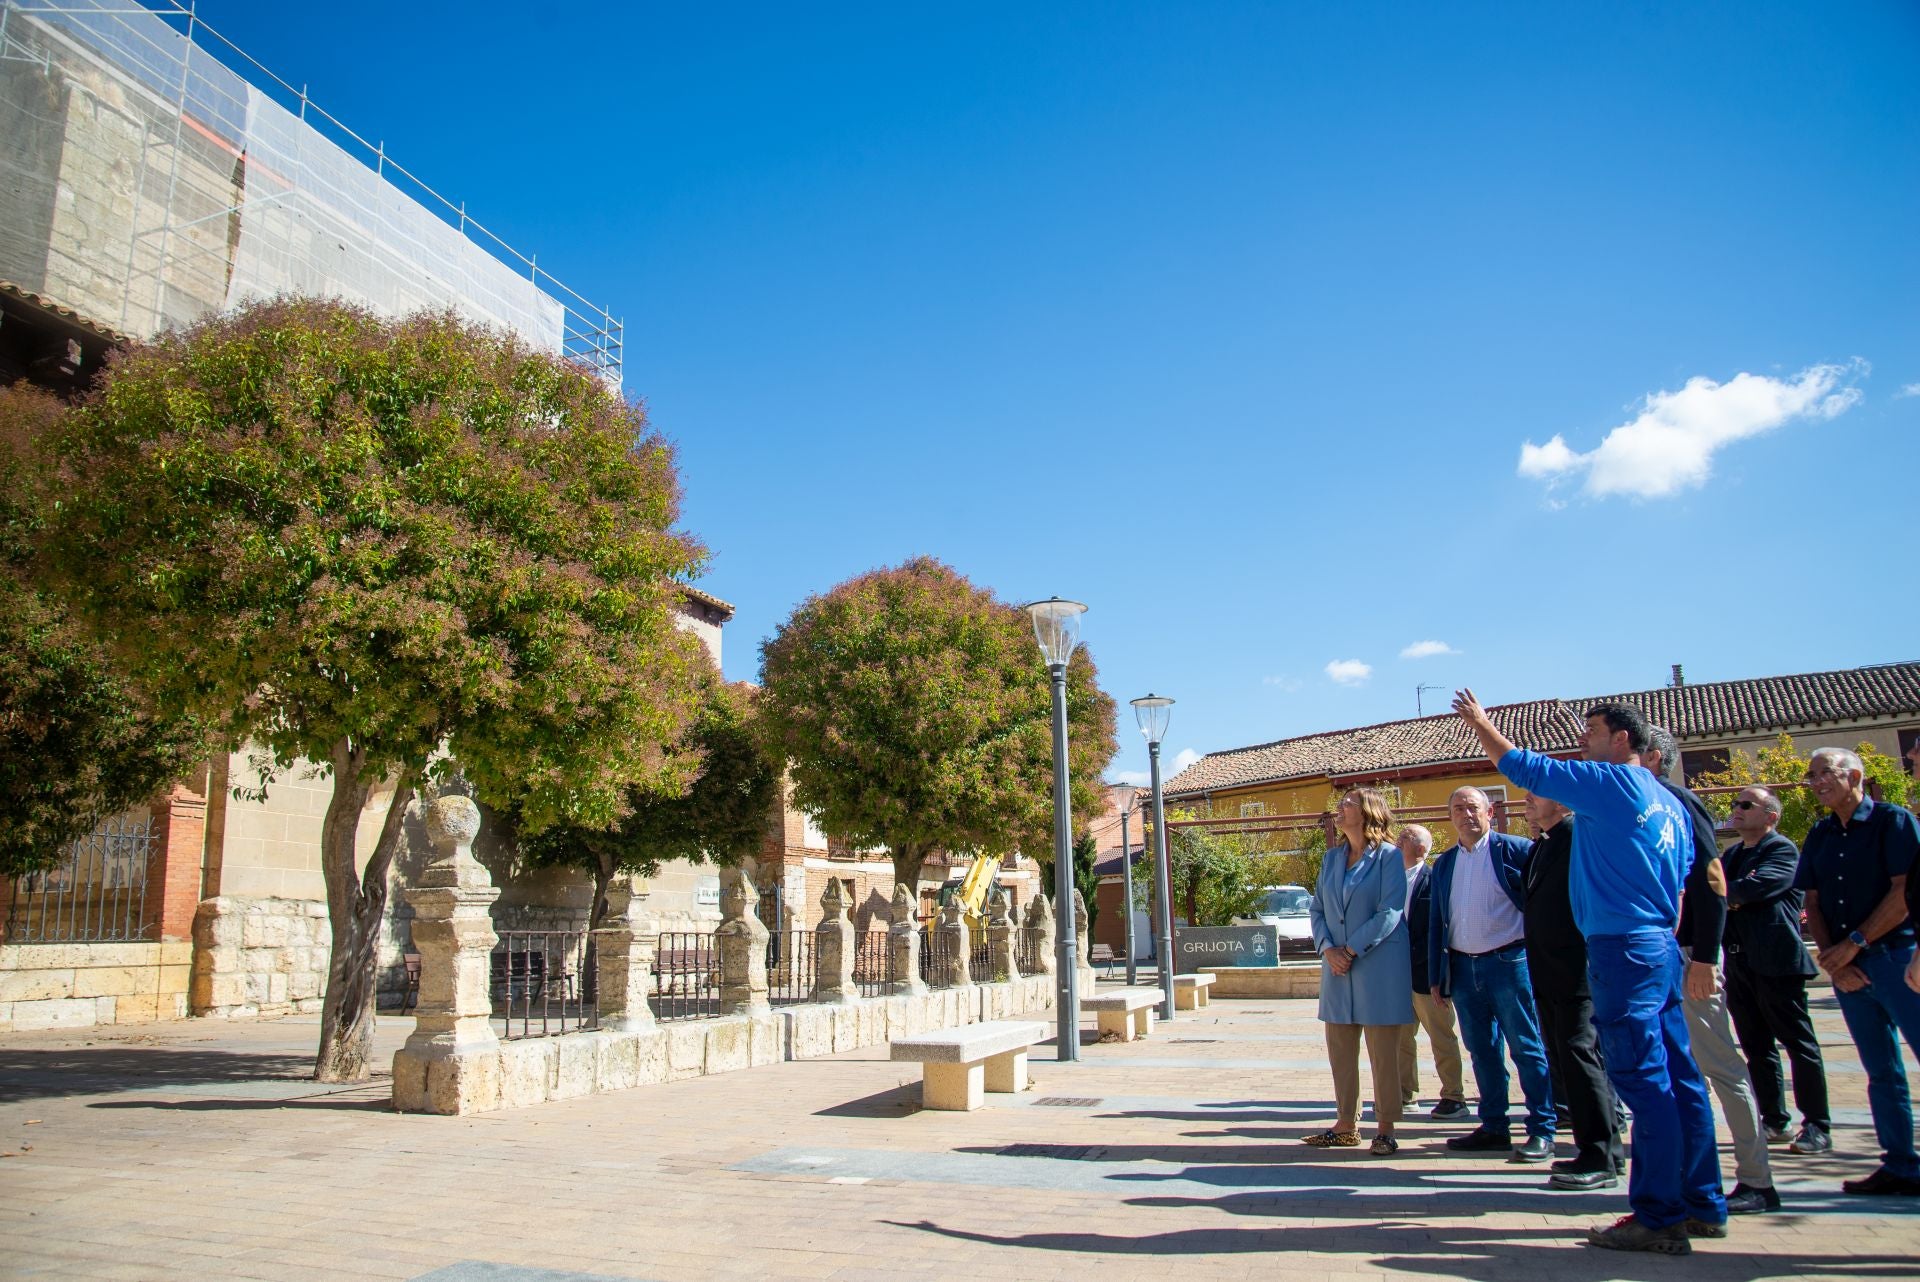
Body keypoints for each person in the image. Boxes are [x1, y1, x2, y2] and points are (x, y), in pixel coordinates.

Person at [1455, 691, 1723, 1256]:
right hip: (1657, 946)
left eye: (1593, 730)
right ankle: (1703, 1201)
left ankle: (1658, 1214)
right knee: (1680, 1076)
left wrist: (1482, 724)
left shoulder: (1616, 783)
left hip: (1622, 949)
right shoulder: (1670, 803)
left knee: (1644, 1081)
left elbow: (1523, 765)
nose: (1583, 740)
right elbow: (1682, 883)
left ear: (1623, 739)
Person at [1643, 726, 1777, 1215]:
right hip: (1657, 961)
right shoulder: (1636, 809)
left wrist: (1704, 956)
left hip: (1688, 959)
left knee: (1720, 1066)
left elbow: (1713, 879)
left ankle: (1756, 1179)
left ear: (1651, 757)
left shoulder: (1677, 802)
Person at [1796, 746, 1920, 1196]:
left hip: (1896, 961)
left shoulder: (1895, 823)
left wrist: (1855, 944)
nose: (1815, 781)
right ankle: (1901, 1165)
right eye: (1812, 775)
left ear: (1855, 775)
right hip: (1849, 971)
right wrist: (1833, 957)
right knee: (1881, 1070)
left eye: (1824, 772)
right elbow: (1812, 900)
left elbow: (1906, 892)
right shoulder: (1820, 834)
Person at [1427, 786, 1555, 1161]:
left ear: (1489, 811)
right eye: (1457, 808)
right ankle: (1494, 1126)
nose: (1465, 815)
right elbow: (1438, 921)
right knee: (1482, 1051)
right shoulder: (1446, 863)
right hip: (1464, 969)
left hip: (1509, 964)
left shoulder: (1515, 851)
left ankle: (1542, 1128)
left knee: (1526, 1048)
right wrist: (1439, 975)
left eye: (1472, 807)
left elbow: (1538, 907)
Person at [1521, 792, 1624, 1190]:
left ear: (1564, 805)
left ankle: (1602, 1153)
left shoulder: (1579, 841)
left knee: (1583, 1060)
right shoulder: (1543, 846)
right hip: (1546, 975)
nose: (1527, 801)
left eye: (1537, 796)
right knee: (1567, 1062)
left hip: (1577, 975)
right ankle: (1594, 1149)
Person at [1721, 785, 1830, 1156]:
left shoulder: (1782, 850)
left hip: (1778, 962)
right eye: (1736, 803)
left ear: (1771, 816)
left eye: (1746, 804)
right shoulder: (1732, 854)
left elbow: (1752, 891)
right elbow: (1718, 893)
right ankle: (1773, 1118)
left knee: (1798, 1043)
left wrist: (1731, 896)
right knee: (1756, 1046)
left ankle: (1816, 1123)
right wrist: (1731, 896)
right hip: (1739, 963)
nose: (1737, 809)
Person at [1305, 787, 1413, 1156]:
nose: (1340, 807)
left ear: (1368, 813)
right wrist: (1327, 950)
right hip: (1336, 969)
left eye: (1347, 803)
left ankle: (1385, 1128)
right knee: (1340, 1049)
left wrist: (1349, 949)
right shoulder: (1331, 859)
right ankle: (1346, 1124)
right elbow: (1317, 909)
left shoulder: (1390, 858)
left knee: (1383, 1053)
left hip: (1376, 967)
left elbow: (1389, 913)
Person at [1396, 824, 1468, 1119]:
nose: (1398, 840)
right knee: (1401, 1039)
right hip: (1398, 976)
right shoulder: (1392, 881)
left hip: (1428, 977)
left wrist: (1440, 975)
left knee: (1441, 1037)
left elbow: (1442, 928)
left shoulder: (1434, 879)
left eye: (1405, 837)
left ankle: (1454, 1096)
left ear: (1421, 848)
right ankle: (1405, 1096)